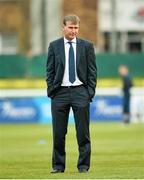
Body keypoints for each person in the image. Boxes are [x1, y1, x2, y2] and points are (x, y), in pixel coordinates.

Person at [46, 14, 97, 173]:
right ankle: (58, 166)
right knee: (58, 134)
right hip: (59, 93)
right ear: (64, 27)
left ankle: (83, 167)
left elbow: (92, 72)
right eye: (71, 27)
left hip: (80, 92)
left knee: (83, 134)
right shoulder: (54, 46)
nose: (74, 31)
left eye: (76, 28)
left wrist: (89, 93)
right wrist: (52, 91)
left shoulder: (87, 46)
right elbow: (50, 70)